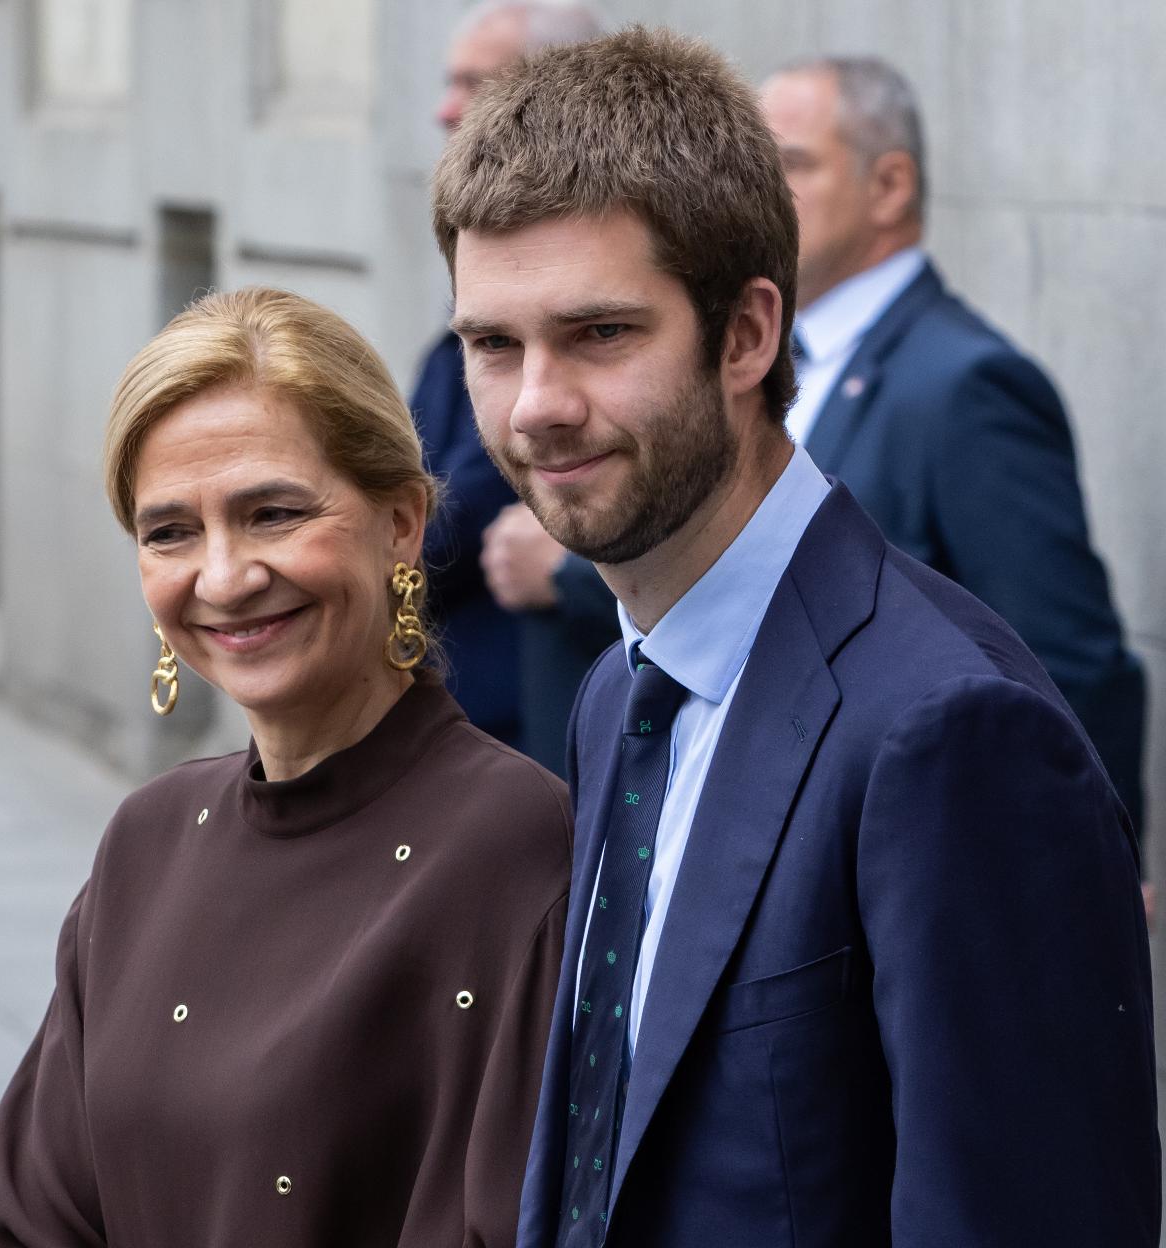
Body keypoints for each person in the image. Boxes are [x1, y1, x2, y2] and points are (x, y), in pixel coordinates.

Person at [432, 27, 1158, 1247]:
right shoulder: (621, 690)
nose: (536, 406)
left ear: (748, 336)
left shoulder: (952, 732)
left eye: (600, 333)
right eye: (492, 345)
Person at [0, 288, 571, 1247]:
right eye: (169, 532)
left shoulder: (517, 846)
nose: (223, 577)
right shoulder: (146, 841)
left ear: (401, 524)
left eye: (273, 514)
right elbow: (25, 1216)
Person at [760, 55, 1147, 842]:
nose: (758, 195)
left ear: (890, 185)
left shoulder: (967, 383)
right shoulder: (783, 357)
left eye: (790, 165)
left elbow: (1066, 654)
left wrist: (1090, 855)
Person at [413, 0, 616, 766]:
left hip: (536, 740)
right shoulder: (462, 302)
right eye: (493, 341)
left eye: (475, 84)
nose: (445, 110)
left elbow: (455, 511)